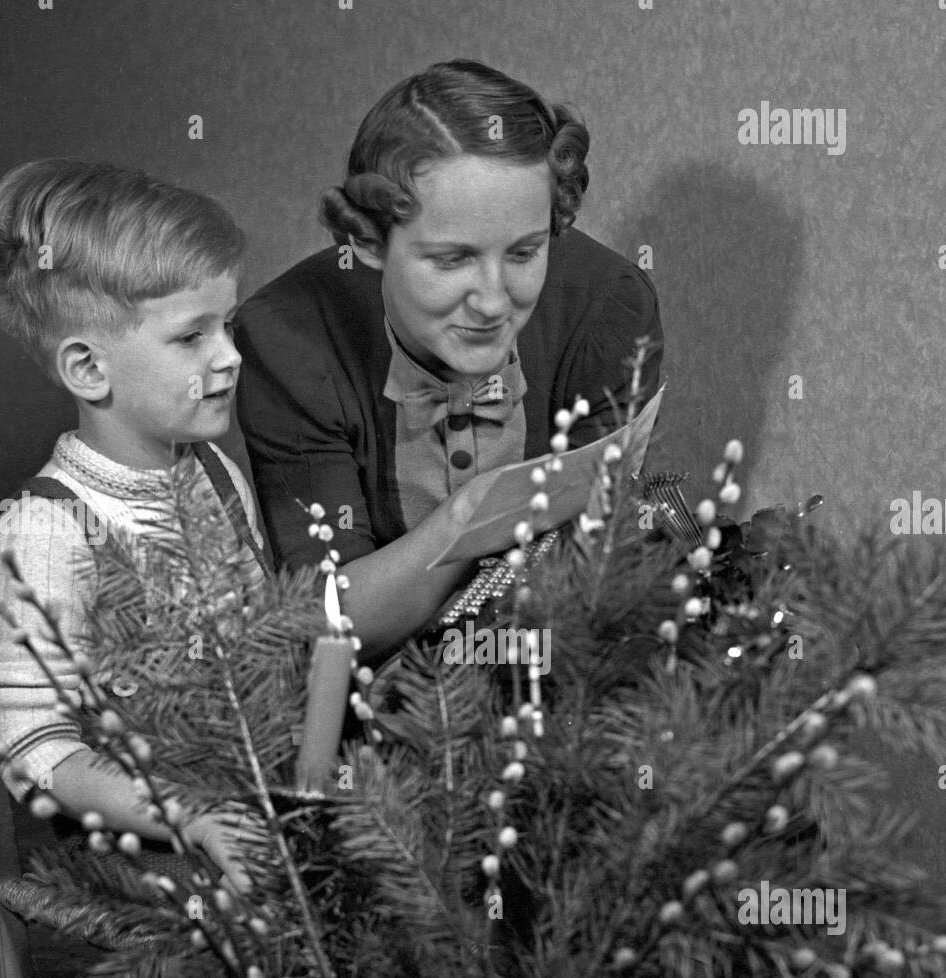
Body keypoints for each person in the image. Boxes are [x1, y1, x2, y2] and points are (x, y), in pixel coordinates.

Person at [0, 158, 335, 978]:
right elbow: (35, 752)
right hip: (132, 828)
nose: (229, 355)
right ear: (88, 365)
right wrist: (186, 810)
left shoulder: (210, 471)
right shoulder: (45, 532)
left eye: (225, 324)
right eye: (192, 336)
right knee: (335, 933)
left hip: (243, 782)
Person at [235, 58, 663, 658]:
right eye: (451, 259)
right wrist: (474, 515)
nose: (492, 302)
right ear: (366, 240)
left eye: (524, 253)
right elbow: (330, 621)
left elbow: (594, 580)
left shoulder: (609, 310)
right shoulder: (289, 340)